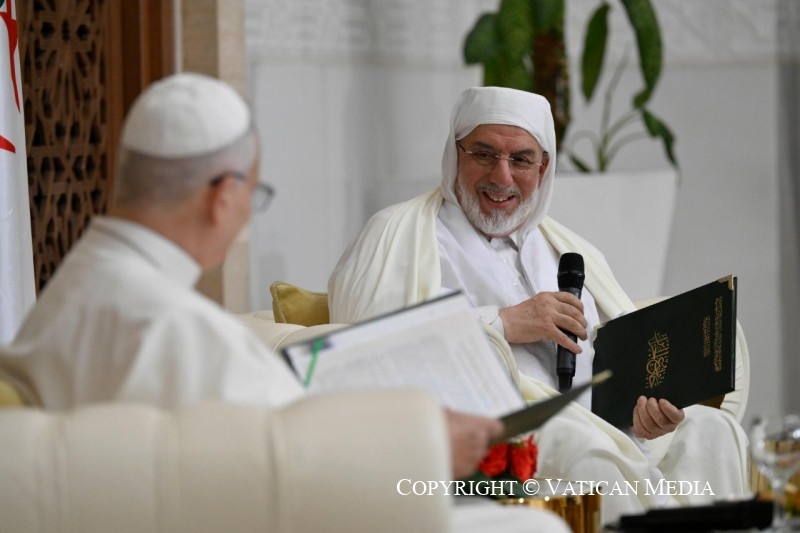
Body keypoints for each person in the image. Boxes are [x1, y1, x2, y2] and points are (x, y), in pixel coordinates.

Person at [0, 74, 571, 533]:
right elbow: (292, 467)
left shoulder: (69, 293)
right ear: (223, 197)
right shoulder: (177, 330)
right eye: (254, 194)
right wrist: (428, 442)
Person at [328, 86, 750, 523]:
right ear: (456, 155)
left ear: (543, 167)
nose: (502, 177)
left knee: (710, 432)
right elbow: (365, 354)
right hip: (501, 434)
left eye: (522, 160)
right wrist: (505, 323)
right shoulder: (398, 234)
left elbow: (624, 361)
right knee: (586, 453)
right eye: (484, 154)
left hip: (600, 422)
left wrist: (642, 414)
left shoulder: (566, 247)